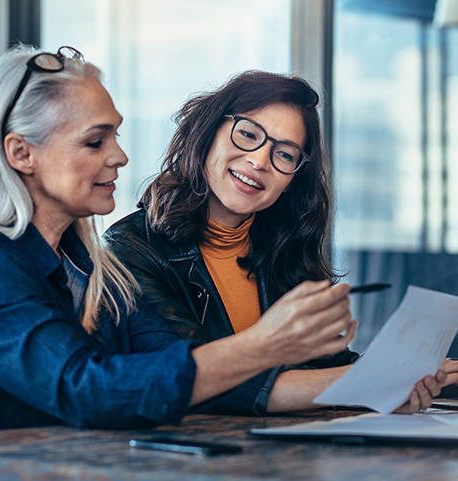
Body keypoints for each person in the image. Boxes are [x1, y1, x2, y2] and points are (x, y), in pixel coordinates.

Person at [0, 45, 366, 431]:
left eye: (116, 135)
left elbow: (178, 374)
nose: (120, 157)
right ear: (21, 153)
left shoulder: (92, 267)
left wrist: (383, 379)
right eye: (95, 142)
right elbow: (87, 388)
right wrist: (264, 344)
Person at [104, 70, 453, 413]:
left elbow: (324, 366)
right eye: (247, 134)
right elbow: (194, 380)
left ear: (292, 181)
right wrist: (369, 381)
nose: (258, 161)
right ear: (208, 133)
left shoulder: (284, 247)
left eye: (284, 154)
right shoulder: (130, 249)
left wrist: (395, 387)